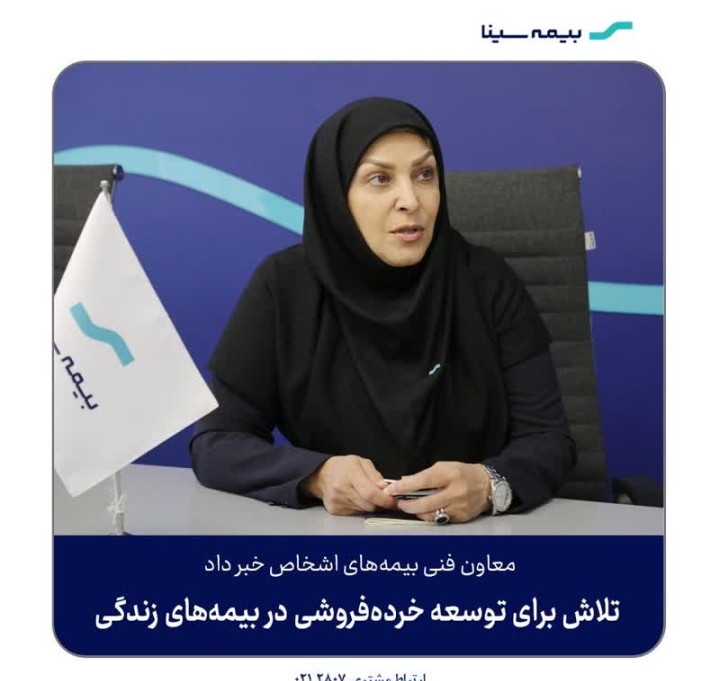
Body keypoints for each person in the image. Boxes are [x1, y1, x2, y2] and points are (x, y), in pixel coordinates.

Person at [190, 97, 575, 524]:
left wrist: (488, 485)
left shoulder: (487, 282)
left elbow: (549, 440)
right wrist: (316, 475)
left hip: (479, 541)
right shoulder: (283, 287)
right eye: (379, 179)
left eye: (425, 174)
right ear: (336, 195)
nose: (410, 200)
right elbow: (215, 441)